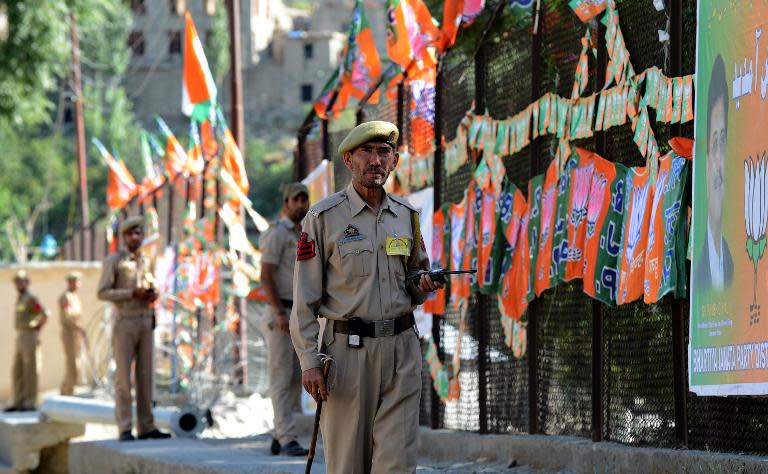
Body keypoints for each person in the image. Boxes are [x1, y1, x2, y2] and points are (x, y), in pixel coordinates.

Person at [290, 121, 443, 473]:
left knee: (398, 465)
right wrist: (309, 361)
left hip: (401, 352)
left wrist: (421, 285)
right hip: (347, 357)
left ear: (394, 161)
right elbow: (305, 299)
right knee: (348, 466)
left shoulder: (407, 217)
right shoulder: (323, 218)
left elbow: (412, 280)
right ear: (349, 160)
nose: (376, 160)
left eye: (383, 152)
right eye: (367, 152)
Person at [97, 216, 171, 441]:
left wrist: (152, 294)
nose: (135, 237)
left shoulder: (146, 261)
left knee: (146, 375)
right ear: (124, 237)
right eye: (130, 234)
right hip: (125, 321)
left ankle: (147, 426)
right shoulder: (115, 261)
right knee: (123, 377)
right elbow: (103, 292)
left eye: (138, 233)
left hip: (145, 320)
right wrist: (130, 293)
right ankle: (125, 427)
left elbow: (152, 285)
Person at [259, 182, 311, 457]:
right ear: (286, 203)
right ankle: (287, 436)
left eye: (305, 199)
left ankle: (280, 434)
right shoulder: (277, 234)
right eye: (296, 200)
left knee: (295, 378)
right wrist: (279, 311)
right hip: (281, 312)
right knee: (280, 377)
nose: (301, 204)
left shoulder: (305, 232)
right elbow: (266, 275)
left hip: (300, 312)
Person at [694, 53, 733, 292]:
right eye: (714, 144)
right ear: (705, 161)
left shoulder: (733, 263)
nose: (718, 163)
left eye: (724, 141)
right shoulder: (698, 278)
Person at [5, 270, 48, 412]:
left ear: (27, 283)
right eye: (16, 282)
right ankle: (18, 401)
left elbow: (43, 314)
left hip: (30, 335)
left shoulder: (30, 298)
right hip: (20, 335)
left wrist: (37, 330)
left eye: (21, 281)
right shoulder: (20, 298)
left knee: (30, 370)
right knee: (17, 370)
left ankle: (30, 402)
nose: (18, 284)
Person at [60, 272, 85, 396]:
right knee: (72, 363)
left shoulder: (75, 297)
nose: (76, 284)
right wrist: (80, 328)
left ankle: (69, 389)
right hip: (69, 333)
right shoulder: (66, 297)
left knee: (76, 361)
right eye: (73, 281)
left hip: (76, 333)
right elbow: (69, 316)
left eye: (78, 281)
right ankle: (67, 391)